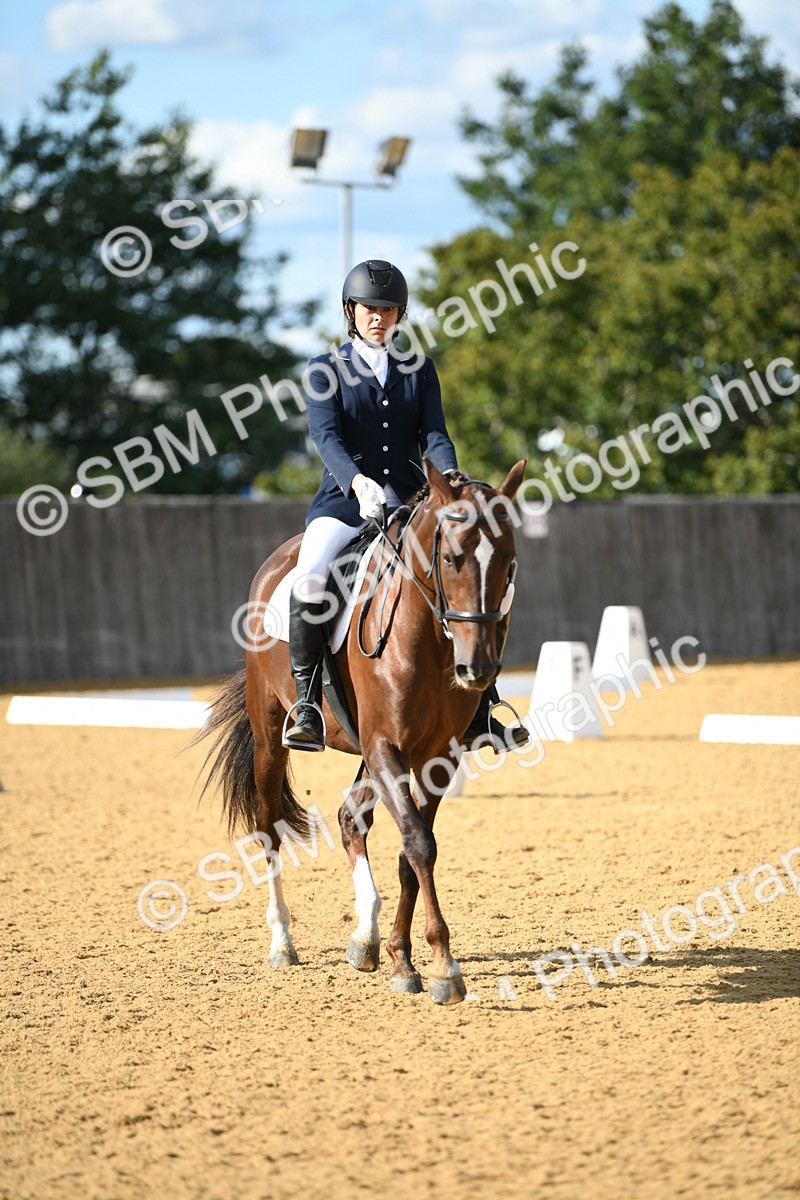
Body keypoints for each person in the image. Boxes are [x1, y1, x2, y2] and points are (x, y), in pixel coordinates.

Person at [282, 258, 526, 755]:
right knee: (310, 573)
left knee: (480, 575)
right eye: (370, 308)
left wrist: (451, 480)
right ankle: (306, 701)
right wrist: (356, 482)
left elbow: (434, 434)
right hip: (345, 501)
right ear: (351, 312)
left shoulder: (419, 370)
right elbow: (324, 436)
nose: (379, 317)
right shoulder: (325, 370)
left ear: (400, 315)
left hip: (415, 498)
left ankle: (482, 706)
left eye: (389, 309)